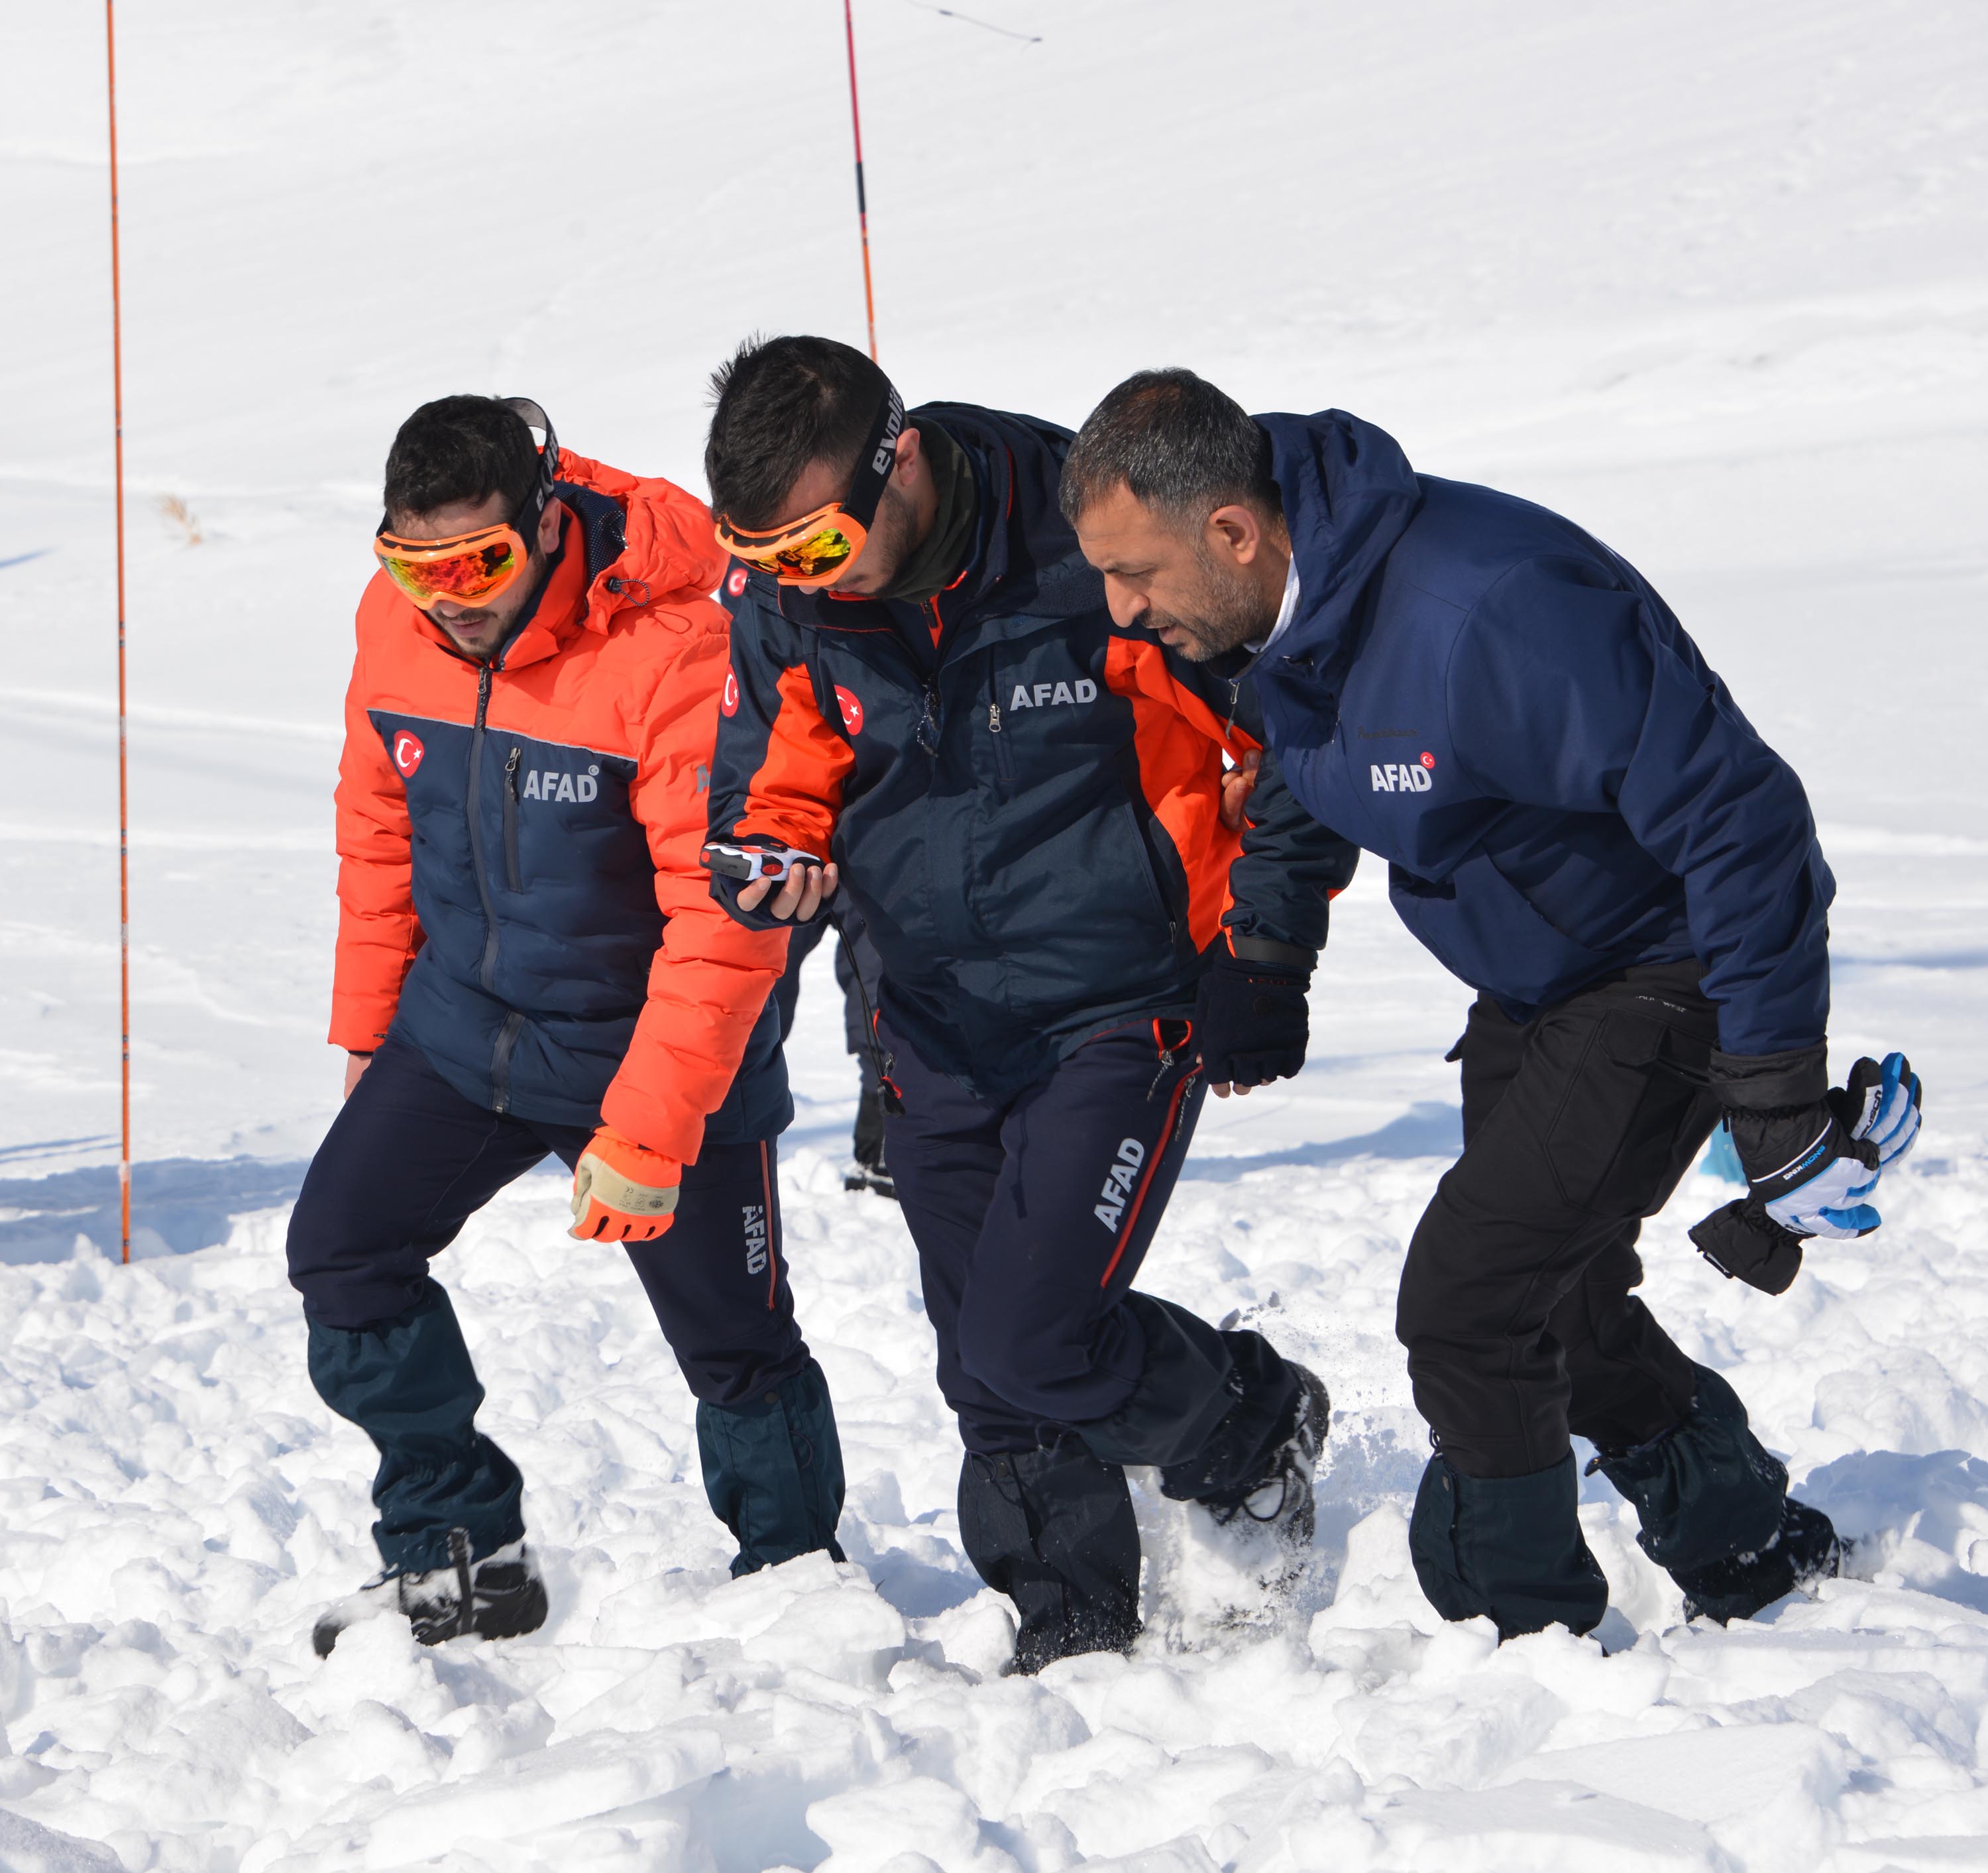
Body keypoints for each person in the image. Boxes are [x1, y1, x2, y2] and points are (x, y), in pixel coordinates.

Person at [1060, 369, 1923, 1640]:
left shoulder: (1492, 615)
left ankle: (1526, 1635)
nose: (1121, 613)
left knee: (1469, 1304)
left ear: (1233, 530)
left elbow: (1745, 821)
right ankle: (1753, 1546)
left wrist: (1778, 1083)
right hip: (1535, 975)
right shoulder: (1274, 616)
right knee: (1555, 1300)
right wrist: (1267, 953)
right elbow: (1313, 766)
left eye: (1136, 574)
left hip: (1664, 965)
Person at [700, 335, 1355, 1673]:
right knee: (983, 1372)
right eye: (761, 560)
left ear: (902, 465)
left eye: (815, 550)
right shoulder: (791, 596)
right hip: (932, 1017)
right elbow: (761, 763)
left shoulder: (1088, 543)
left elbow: (1292, 735)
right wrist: (760, 845)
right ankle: (1072, 1628)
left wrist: (1262, 955)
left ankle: (1247, 1418)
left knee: (1034, 1336)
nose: (791, 586)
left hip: (1117, 1006)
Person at [290, 395, 847, 1656]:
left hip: (654, 1048)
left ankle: (796, 1582)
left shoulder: (669, 651)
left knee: (735, 1344)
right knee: (343, 1248)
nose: (447, 598)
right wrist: (372, 1041)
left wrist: (649, 1132)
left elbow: (721, 925)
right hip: (465, 1030)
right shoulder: (398, 629)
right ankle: (456, 1554)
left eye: (478, 563)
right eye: (412, 566)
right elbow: (378, 840)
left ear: (545, 524)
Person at [770, 908, 896, 1198]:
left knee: (878, 996)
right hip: (790, 866)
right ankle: (722, 1133)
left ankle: (877, 1155)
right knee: (758, 983)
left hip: (865, 873)